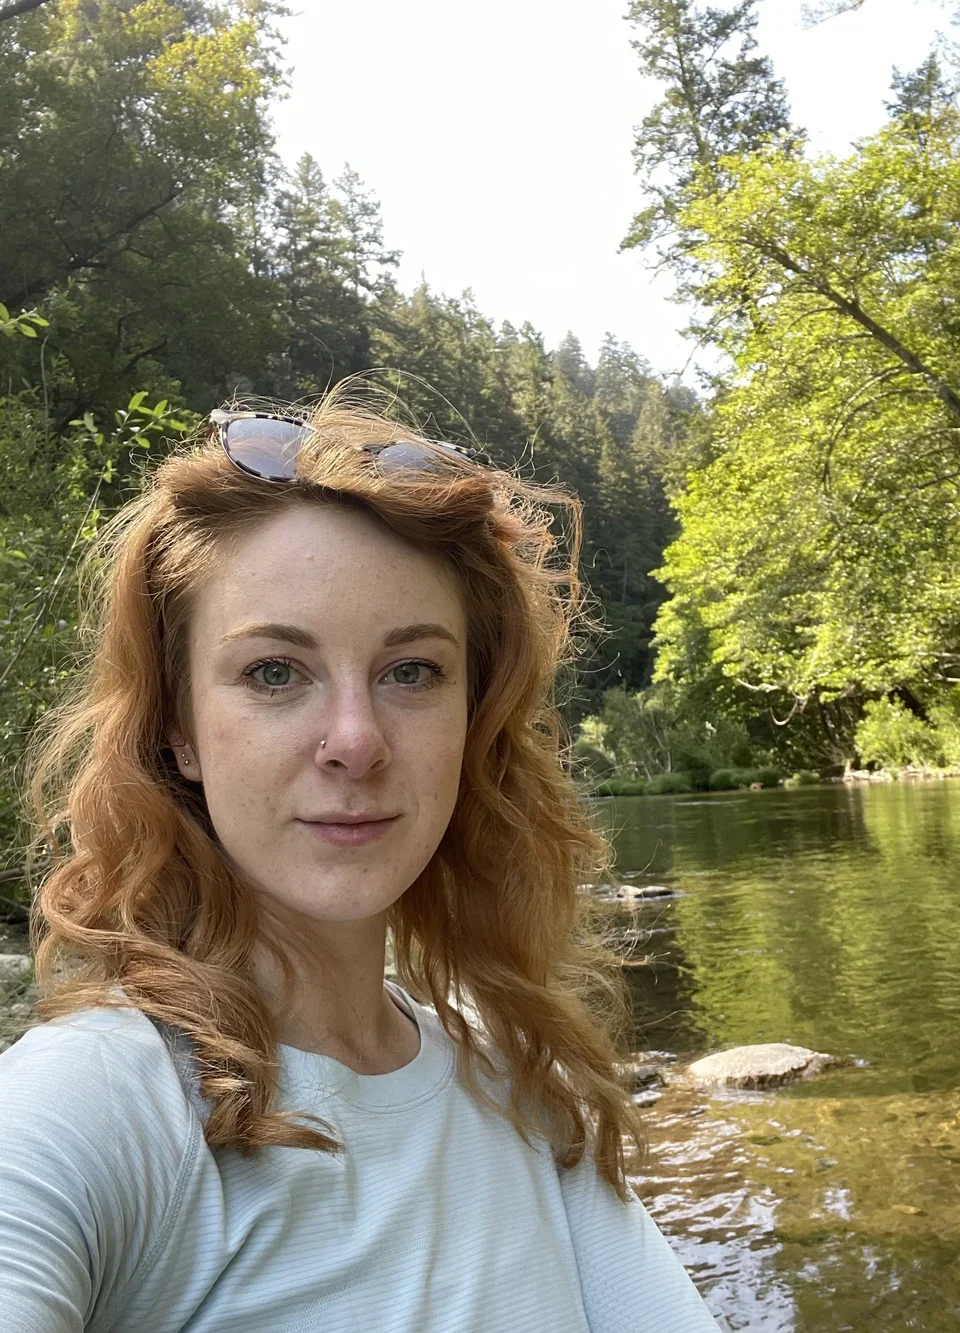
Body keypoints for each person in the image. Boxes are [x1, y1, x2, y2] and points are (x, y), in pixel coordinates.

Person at [0, 389, 720, 1332]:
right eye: (273, 672)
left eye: (411, 671)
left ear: (474, 718)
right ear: (177, 726)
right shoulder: (96, 1103)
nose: (355, 740)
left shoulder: (517, 1079)